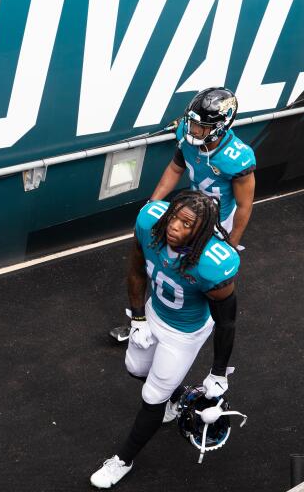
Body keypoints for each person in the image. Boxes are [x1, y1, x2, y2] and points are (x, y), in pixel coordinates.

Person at [90, 191, 240, 488]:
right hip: (153, 313)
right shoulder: (150, 224)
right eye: (174, 217)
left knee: (152, 396)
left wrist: (219, 371)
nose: (174, 226)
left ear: (202, 232)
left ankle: (123, 460)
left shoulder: (212, 264)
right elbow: (135, 271)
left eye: (187, 224)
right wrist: (137, 318)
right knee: (135, 369)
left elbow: (227, 321)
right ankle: (180, 395)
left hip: (184, 332)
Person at [110, 87, 255, 343]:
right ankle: (138, 320)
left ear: (220, 126)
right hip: (188, 211)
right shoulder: (187, 137)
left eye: (201, 126)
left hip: (217, 223)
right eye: (192, 122)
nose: (193, 130)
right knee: (157, 262)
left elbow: (244, 205)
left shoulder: (237, 157)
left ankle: (195, 330)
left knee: (191, 276)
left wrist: (231, 243)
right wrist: (153, 204)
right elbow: (175, 168)